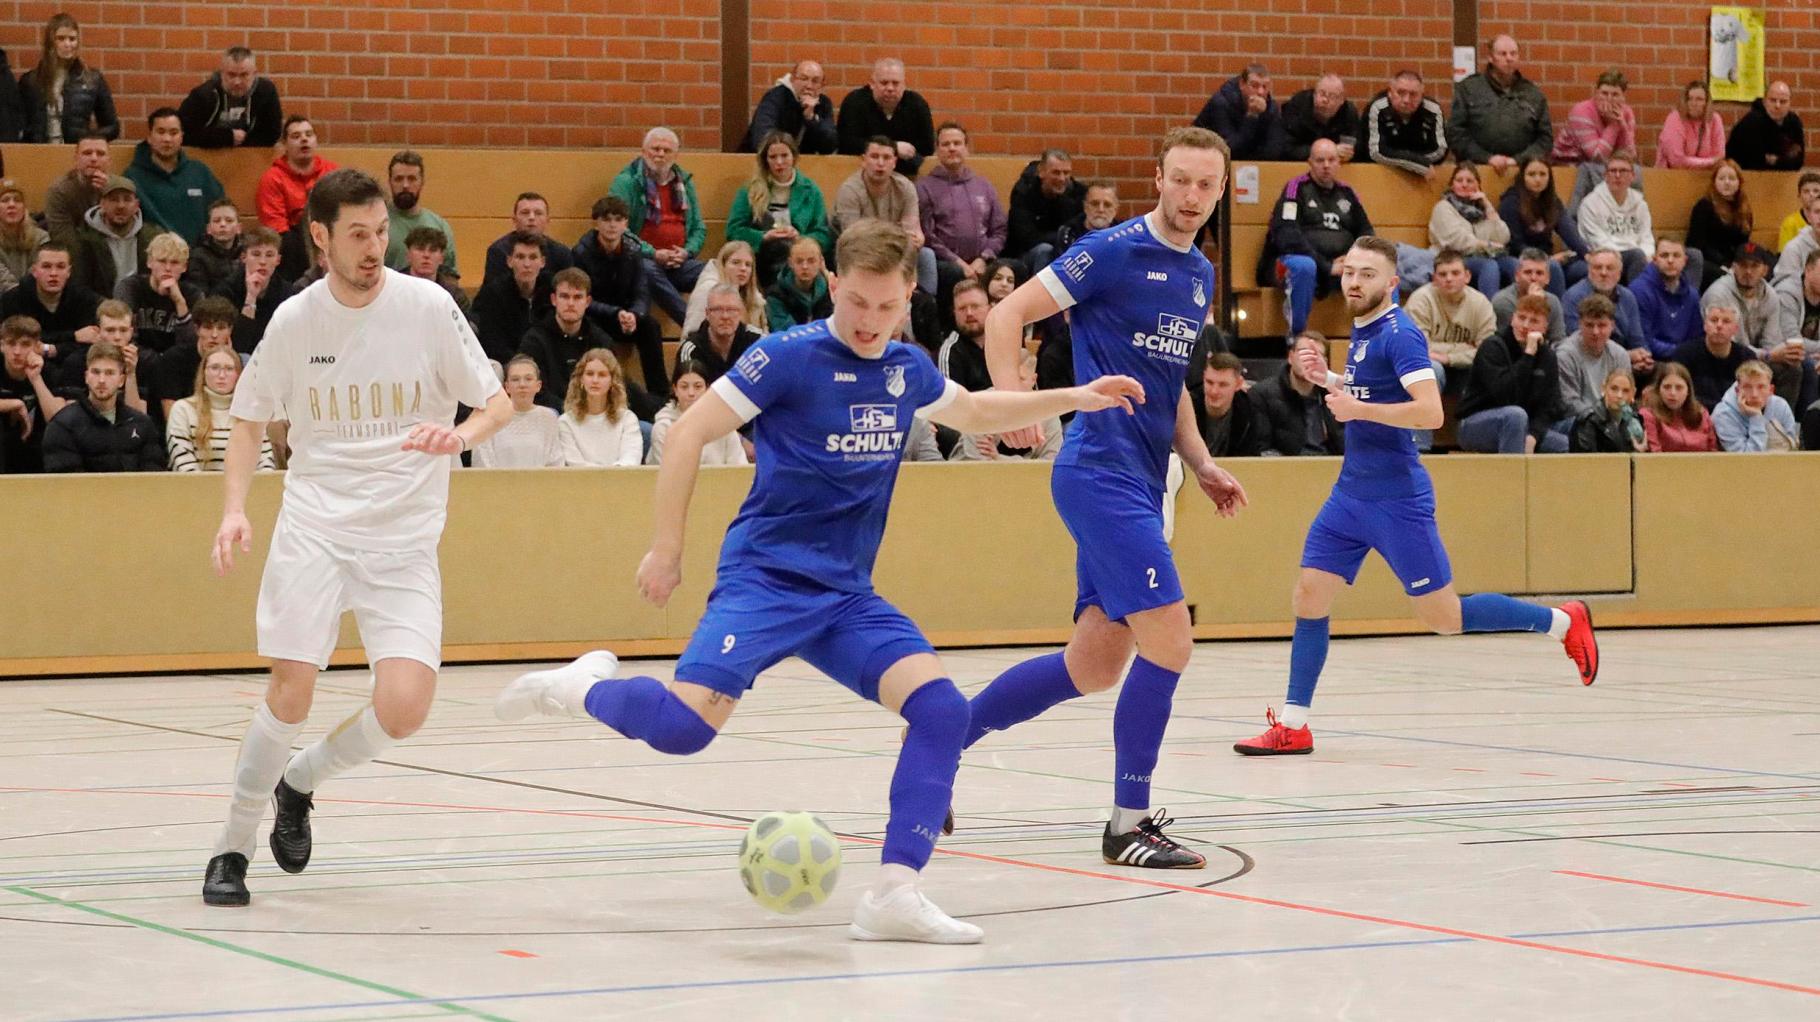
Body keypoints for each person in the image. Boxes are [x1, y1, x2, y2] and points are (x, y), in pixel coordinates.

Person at [494, 218, 1145, 942]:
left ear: (906, 300)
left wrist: (1074, 396)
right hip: (765, 581)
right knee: (682, 732)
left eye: (888, 307)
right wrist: (667, 548)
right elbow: (685, 433)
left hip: (845, 596)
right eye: (858, 303)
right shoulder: (786, 359)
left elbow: (970, 409)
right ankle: (580, 686)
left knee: (940, 712)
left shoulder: (904, 367)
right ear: (835, 285)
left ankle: (894, 893)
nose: (871, 321)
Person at [199, 168, 511, 908]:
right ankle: (232, 847)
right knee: (292, 688)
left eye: (381, 233)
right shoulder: (296, 320)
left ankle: (300, 781)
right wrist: (235, 508)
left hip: (403, 540)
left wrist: (459, 433)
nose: (376, 248)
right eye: (359, 235)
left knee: (405, 708)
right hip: (316, 524)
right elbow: (246, 421)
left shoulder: (428, 306)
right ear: (321, 237)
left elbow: (495, 402)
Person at [958, 126, 1246, 870]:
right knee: (1171, 640)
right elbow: (1005, 315)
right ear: (1158, 177)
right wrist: (1014, 404)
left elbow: (1174, 382)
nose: (1190, 197)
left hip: (1143, 482)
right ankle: (1128, 824)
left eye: (1204, 186)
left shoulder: (1198, 274)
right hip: (1097, 474)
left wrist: (1202, 461)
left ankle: (940, 736)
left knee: (1092, 665)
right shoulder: (1111, 251)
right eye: (1179, 180)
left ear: (1220, 192)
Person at [1233, 236, 1597, 757]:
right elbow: (1374, 393)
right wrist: (1328, 378)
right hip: (1350, 494)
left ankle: (1563, 622)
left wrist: (1358, 412)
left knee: (1443, 618)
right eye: (1350, 272)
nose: (1354, 282)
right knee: (1309, 596)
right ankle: (1294, 724)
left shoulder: (1399, 334)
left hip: (1397, 498)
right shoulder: (1362, 332)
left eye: (1367, 274)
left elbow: (1430, 413)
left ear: (1392, 283)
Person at [1259, 139, 1374, 338]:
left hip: (1341, 266)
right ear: (1310, 163)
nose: (1326, 166)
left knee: (1382, 269)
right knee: (1304, 266)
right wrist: (1327, 266)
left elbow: (1366, 231)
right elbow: (1287, 235)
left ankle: (1384, 337)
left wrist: (1352, 260)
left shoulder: (1348, 193)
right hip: (1295, 262)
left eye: (1331, 160)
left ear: (1339, 163)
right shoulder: (1295, 189)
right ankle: (1296, 336)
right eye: (1320, 160)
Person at [571, 195, 668, 400]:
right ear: (596, 223)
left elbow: (642, 291)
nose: (612, 225)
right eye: (606, 219)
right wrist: (616, 313)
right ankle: (613, 395)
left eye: (618, 219)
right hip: (596, 317)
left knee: (650, 326)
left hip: (625, 318)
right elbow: (582, 300)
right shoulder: (581, 253)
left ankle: (660, 396)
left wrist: (635, 314)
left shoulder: (634, 250)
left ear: (625, 224)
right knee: (594, 332)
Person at [610, 127, 710, 325]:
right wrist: (654, 253)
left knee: (716, 270)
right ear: (643, 151)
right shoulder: (626, 182)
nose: (660, 154)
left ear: (676, 155)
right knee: (646, 269)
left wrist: (687, 252)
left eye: (666, 150)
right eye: (655, 149)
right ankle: (694, 326)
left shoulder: (685, 183)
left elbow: (699, 227)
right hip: (641, 260)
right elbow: (620, 230)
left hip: (678, 262)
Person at [1455, 292, 1569, 453]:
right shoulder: (1492, 347)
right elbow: (1505, 394)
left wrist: (1533, 435)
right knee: (1515, 416)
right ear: (1512, 318)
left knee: (1563, 443)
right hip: (1475, 423)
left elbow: (1550, 405)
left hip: (1523, 425)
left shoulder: (1547, 356)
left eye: (1534, 321)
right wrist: (1528, 355)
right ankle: (1512, 476)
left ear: (1544, 328)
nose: (1525, 325)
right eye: (1521, 318)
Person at [726, 131, 833, 287]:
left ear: (794, 158)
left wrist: (800, 238)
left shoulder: (811, 190)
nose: (779, 162)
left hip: (799, 255)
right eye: (773, 157)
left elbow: (822, 233)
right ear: (765, 160)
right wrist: (763, 236)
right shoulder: (750, 190)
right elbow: (733, 230)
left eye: (784, 156)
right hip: (763, 256)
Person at [916, 123, 1008, 296]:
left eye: (957, 143)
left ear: (967, 148)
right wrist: (959, 263)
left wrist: (983, 258)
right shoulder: (924, 188)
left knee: (1014, 269)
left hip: (983, 261)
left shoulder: (984, 186)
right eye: (946, 144)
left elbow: (999, 230)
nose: (952, 148)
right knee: (953, 273)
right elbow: (928, 235)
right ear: (937, 150)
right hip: (946, 264)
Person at [1447, 35, 1553, 173]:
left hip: (1521, 172)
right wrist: (1487, 158)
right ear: (1490, 57)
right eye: (1502, 54)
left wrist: (1518, 160)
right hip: (1475, 171)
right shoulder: (1468, 89)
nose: (1509, 58)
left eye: (1513, 54)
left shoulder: (1533, 94)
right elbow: (1455, 134)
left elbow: (1545, 140)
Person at [516, 267, 615, 412]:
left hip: (593, 414)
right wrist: (572, 411)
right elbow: (536, 392)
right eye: (564, 296)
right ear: (554, 300)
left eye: (577, 297)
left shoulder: (600, 341)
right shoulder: (534, 340)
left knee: (646, 429)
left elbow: (617, 383)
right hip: (553, 415)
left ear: (587, 302)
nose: (570, 303)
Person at [124, 108, 225, 245]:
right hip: (156, 260)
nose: (167, 139)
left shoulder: (200, 172)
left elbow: (222, 210)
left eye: (173, 133)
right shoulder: (132, 177)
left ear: (182, 137)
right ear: (149, 137)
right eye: (161, 132)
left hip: (199, 258)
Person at [167, 346, 276, 472]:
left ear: (239, 375)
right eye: (215, 368)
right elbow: (183, 464)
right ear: (203, 372)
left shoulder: (251, 413)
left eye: (229, 369)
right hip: (196, 489)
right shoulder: (183, 410)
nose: (222, 375)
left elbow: (266, 463)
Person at [19, 13, 118, 144]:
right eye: (61, 38)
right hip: (39, 154)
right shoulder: (31, 81)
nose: (67, 44)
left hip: (75, 153)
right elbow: (19, 124)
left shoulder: (92, 79)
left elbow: (112, 126)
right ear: (50, 42)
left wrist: (88, 139)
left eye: (72, 39)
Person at [1498, 157, 1586, 296]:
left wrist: (1588, 256)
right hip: (1519, 257)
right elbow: (1516, 243)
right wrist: (1545, 259)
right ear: (1522, 177)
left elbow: (1569, 233)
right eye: (1532, 174)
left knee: (1588, 268)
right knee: (1553, 267)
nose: (1538, 179)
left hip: (1548, 258)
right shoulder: (1510, 203)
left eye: (1543, 174)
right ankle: (1557, 312)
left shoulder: (1552, 201)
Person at [836, 58, 936, 177]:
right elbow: (846, 144)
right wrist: (893, 148)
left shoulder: (917, 104)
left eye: (895, 83)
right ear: (872, 84)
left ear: (904, 85)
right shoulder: (854, 103)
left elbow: (927, 147)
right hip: (859, 175)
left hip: (908, 177)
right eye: (884, 83)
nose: (890, 88)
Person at [1551, 70, 1638, 206]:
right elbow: (1597, 156)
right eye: (1604, 93)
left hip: (1601, 166)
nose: (1609, 99)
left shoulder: (1627, 112)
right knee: (1597, 170)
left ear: (1623, 97)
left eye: (1615, 94)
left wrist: (1623, 126)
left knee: (1633, 172)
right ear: (1596, 93)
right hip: (1569, 163)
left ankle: (1629, 212)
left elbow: (1630, 156)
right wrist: (1614, 125)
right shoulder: (1581, 111)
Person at [1407, 249, 1496, 382]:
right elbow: (1418, 348)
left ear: (1467, 277)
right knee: (1432, 368)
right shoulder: (1420, 300)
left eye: (1455, 273)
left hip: (1464, 366)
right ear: (1434, 279)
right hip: (1431, 364)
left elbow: (1487, 351)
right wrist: (1466, 347)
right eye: (1442, 274)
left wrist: (1450, 359)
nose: (1449, 279)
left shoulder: (1481, 303)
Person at [1252, 332, 1344, 456]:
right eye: (1304, 353)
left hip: (1329, 467)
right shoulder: (1262, 394)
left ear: (1325, 363)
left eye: (1317, 355)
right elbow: (1262, 448)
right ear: (1290, 357)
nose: (1309, 361)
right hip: (1287, 469)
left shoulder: (1335, 395)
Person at [0, 315, 70, 473]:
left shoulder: (49, 372)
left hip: (37, 444)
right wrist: (13, 404)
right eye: (11, 344)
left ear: (37, 347)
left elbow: (57, 418)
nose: (17, 352)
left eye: (25, 345)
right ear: (2, 345)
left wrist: (36, 378)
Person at [1428, 163, 1509, 297]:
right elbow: (1458, 242)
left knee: (1513, 264)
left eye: (1470, 181)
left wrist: (1488, 206)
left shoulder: (1481, 210)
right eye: (1459, 180)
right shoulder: (1443, 208)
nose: (1464, 185)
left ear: (1477, 185)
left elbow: (1503, 237)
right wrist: (1487, 245)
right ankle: (1490, 315)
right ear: (1452, 184)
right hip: (1451, 259)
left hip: (1482, 256)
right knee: (1489, 266)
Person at [646, 358, 747, 466]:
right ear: (675, 389)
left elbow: (738, 466)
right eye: (684, 387)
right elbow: (666, 471)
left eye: (698, 387)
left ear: (707, 389)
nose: (691, 393)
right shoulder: (664, 426)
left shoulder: (724, 424)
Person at [470, 232, 551, 365]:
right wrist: (521, 366)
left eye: (533, 257)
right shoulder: (492, 294)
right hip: (507, 365)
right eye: (520, 257)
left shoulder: (553, 292)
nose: (527, 264)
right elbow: (492, 343)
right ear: (509, 261)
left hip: (544, 365)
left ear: (542, 262)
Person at [148, 293, 233, 419]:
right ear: (197, 329)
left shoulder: (236, 363)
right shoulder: (173, 360)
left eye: (221, 328)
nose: (214, 335)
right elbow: (171, 416)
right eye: (208, 327)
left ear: (230, 331)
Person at [179, 46, 283, 149]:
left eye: (244, 75)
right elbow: (182, 133)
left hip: (252, 155)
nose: (237, 82)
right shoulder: (204, 95)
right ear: (222, 73)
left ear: (254, 74)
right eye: (231, 75)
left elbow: (273, 134)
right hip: (211, 155)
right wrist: (227, 137)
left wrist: (242, 143)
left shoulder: (266, 92)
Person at [1574, 154, 1656, 284]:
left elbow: (1646, 237)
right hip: (1603, 256)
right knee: (1637, 256)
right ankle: (1636, 301)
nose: (1617, 175)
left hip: (1638, 256)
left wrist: (1647, 255)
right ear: (1605, 176)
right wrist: (1635, 252)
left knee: (1690, 256)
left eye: (1623, 171)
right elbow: (1598, 243)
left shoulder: (1640, 204)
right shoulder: (1590, 203)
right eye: (1613, 171)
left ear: (1632, 176)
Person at [470, 355, 563, 468]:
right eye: (515, 379)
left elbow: (556, 461)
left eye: (528, 379)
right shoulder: (489, 418)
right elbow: (482, 462)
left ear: (538, 385)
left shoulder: (549, 417)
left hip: (540, 484)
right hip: (499, 484)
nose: (522, 385)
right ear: (507, 387)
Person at [557, 347, 642, 467]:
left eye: (602, 375)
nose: (595, 380)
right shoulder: (565, 422)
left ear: (612, 381)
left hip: (619, 482)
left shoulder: (627, 419)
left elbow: (631, 460)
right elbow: (575, 464)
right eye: (590, 374)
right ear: (581, 379)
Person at [73, 176, 159, 295]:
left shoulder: (153, 238)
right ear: (102, 204)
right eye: (114, 199)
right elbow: (81, 287)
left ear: (136, 205)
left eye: (127, 199)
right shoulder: (85, 240)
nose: (121, 206)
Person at [1555, 294, 1632, 423]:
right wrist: (1602, 422)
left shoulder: (1620, 355)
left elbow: (1625, 397)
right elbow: (1569, 403)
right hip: (1576, 421)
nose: (1595, 332)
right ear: (1580, 324)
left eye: (1602, 325)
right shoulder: (1565, 355)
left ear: (1612, 326)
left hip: (1610, 419)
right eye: (1589, 325)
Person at [1007, 149, 1085, 274]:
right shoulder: (1024, 192)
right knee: (1045, 250)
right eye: (1056, 173)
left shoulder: (1078, 194)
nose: (1062, 178)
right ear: (1041, 172)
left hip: (1065, 251)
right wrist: (1062, 236)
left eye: (1066, 173)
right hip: (1025, 256)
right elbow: (1025, 238)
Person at [254, 116, 337, 234]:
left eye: (309, 134)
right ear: (284, 144)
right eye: (296, 136)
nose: (304, 139)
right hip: (290, 241)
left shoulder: (333, 173)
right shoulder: (272, 178)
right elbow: (275, 226)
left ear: (316, 140)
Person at [1359, 70, 1448, 178]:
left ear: (1422, 95)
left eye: (1413, 94)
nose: (1406, 100)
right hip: (1380, 175)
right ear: (1390, 93)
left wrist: (1415, 164)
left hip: (1423, 178)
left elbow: (1440, 150)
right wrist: (1417, 164)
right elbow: (1376, 152)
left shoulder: (1433, 110)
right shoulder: (1377, 108)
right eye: (1401, 93)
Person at [383, 151, 457, 277]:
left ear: (422, 182)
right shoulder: (378, 224)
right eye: (399, 179)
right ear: (390, 182)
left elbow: (450, 276)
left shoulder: (439, 225)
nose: (405, 185)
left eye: (412, 179)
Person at [1630, 238, 1703, 362]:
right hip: (1653, 360)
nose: (1670, 260)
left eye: (1676, 256)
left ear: (1685, 261)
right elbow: (1644, 340)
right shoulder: (1639, 290)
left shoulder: (1692, 295)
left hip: (1684, 360)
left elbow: (1696, 337)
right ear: (1654, 260)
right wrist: (1683, 352)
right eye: (1664, 256)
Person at [1193, 64, 1287, 160]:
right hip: (1204, 157)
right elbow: (1230, 150)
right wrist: (1252, 115)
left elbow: (1275, 150)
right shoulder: (1221, 103)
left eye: (1265, 87)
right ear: (1242, 84)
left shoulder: (1271, 108)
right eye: (1255, 86)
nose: (1261, 92)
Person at [741, 59, 835, 155]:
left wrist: (811, 118)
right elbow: (761, 138)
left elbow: (829, 146)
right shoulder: (776, 97)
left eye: (815, 81)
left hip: (805, 164)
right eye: (803, 79)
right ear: (792, 79)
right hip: (762, 161)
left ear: (822, 85)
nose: (809, 86)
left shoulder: (823, 103)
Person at [675, 284, 762, 385]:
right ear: (707, 314)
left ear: (740, 313)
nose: (725, 316)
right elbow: (688, 394)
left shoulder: (758, 342)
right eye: (717, 309)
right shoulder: (691, 349)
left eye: (731, 310)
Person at [1684, 161, 1751, 291]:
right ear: (1714, 182)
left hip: (1732, 263)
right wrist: (1724, 264)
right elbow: (1696, 243)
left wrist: (1739, 263)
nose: (1727, 182)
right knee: (1724, 278)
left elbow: (1743, 243)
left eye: (1731, 178)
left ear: (1739, 182)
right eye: (1721, 178)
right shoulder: (1704, 206)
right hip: (1706, 261)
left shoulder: (1744, 210)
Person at [1671, 301, 1751, 410]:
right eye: (1714, 320)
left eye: (1726, 321)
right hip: (1694, 414)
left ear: (1735, 329)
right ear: (1705, 326)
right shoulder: (1684, 354)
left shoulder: (1747, 358)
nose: (1719, 325)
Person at [1563, 248, 1644, 351]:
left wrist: (1643, 355)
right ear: (1589, 271)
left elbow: (1637, 338)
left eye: (1610, 268)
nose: (1604, 273)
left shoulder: (1628, 296)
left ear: (1619, 273)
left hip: (1627, 359)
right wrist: (1627, 356)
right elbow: (1580, 342)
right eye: (1598, 268)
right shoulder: (1573, 297)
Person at [482, 193, 573, 285]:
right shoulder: (498, 251)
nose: (531, 217)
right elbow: (491, 293)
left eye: (538, 213)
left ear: (547, 221)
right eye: (525, 213)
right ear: (514, 220)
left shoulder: (561, 254)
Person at [681, 240, 767, 336]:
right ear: (722, 264)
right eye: (736, 262)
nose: (743, 268)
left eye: (748, 264)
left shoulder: (755, 298)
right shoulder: (707, 290)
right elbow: (692, 332)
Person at [1713, 360, 1798, 452]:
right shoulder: (1723, 415)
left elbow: (1792, 449)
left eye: (1761, 387)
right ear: (1737, 390)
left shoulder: (1781, 406)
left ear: (1771, 390)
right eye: (1747, 387)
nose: (1754, 394)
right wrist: (1756, 417)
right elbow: (1748, 460)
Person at [1188, 351, 1261, 457]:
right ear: (1203, 378)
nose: (1214, 391)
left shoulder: (1249, 409)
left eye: (1223, 385)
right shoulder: (1188, 405)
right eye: (1209, 382)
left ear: (1238, 384)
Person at [43, 134, 112, 243]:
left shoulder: (119, 189)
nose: (94, 158)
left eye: (100, 154)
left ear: (109, 161)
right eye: (87, 153)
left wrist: (110, 194)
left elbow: (125, 232)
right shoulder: (59, 191)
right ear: (76, 160)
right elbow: (63, 239)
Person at [1725, 81, 1805, 171]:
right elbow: (1752, 161)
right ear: (1765, 101)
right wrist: (1781, 160)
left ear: (1790, 103)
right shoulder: (1750, 123)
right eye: (1773, 100)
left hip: (1785, 177)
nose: (1777, 105)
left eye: (1783, 102)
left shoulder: (1794, 122)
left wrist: (1775, 160)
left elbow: (1798, 161)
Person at [1638, 361, 1717, 452]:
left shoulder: (1702, 414)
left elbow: (1713, 450)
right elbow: (1654, 453)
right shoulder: (1648, 415)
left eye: (1679, 388)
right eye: (1667, 387)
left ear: (1688, 391)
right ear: (1658, 389)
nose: (1673, 393)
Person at [1493, 248, 1566, 344]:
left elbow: (1558, 340)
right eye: (1528, 272)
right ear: (1517, 276)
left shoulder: (1553, 301)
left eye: (1539, 273)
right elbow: (1515, 342)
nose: (1533, 278)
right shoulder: (1503, 301)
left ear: (1547, 278)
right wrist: (1534, 302)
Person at [1282, 74, 1359, 162]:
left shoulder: (1349, 113)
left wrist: (1348, 154)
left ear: (1341, 100)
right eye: (1322, 94)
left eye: (1332, 96)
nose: (1325, 100)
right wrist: (1330, 152)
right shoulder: (1297, 107)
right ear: (1314, 94)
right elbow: (1288, 149)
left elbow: (1357, 149)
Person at [1567, 368, 1645, 453]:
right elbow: (1586, 462)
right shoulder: (1588, 421)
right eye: (1614, 389)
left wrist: (1638, 454)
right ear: (1604, 389)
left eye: (1625, 391)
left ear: (1633, 394)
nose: (1619, 395)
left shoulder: (1635, 421)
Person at [936, 280, 993, 392]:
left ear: (989, 309)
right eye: (962, 308)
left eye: (975, 306)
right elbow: (952, 404)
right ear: (954, 313)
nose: (969, 313)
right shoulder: (951, 351)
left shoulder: (1003, 341)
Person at [765, 236, 833, 329]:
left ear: (820, 262)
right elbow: (784, 331)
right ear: (790, 263)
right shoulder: (776, 295)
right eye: (799, 261)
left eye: (811, 261)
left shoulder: (830, 292)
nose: (805, 266)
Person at [1655, 80, 1724, 170]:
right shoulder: (1675, 118)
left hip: (1705, 176)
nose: (1693, 103)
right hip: (1672, 175)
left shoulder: (1715, 119)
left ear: (1707, 103)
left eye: (1699, 99)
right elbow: (1676, 161)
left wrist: (1709, 163)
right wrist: (1709, 162)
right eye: (1689, 99)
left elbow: (1719, 156)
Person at [400, 227, 469, 315]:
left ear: (441, 258)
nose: (426, 255)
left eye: (433, 250)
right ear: (408, 255)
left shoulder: (455, 296)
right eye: (420, 249)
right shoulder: (392, 288)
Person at [187, 199, 245, 297]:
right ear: (208, 229)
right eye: (216, 221)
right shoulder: (197, 257)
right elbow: (200, 296)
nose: (222, 224)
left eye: (229, 220)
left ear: (239, 228)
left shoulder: (248, 253)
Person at [0, 179, 49, 293]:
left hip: (34, 299)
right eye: (4, 200)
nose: (11, 205)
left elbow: (40, 274)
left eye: (17, 200)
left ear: (24, 207)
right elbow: (3, 282)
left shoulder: (42, 238)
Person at [1057, 180, 1119, 249]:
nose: (1101, 210)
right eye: (1095, 204)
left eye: (1107, 205)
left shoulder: (1125, 234)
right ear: (1085, 207)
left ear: (1115, 209)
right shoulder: (1069, 233)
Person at [1777, 173, 1820, 251]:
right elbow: (1784, 255)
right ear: (1799, 195)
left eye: (1816, 191)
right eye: (1806, 191)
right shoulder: (1790, 223)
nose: (1811, 195)